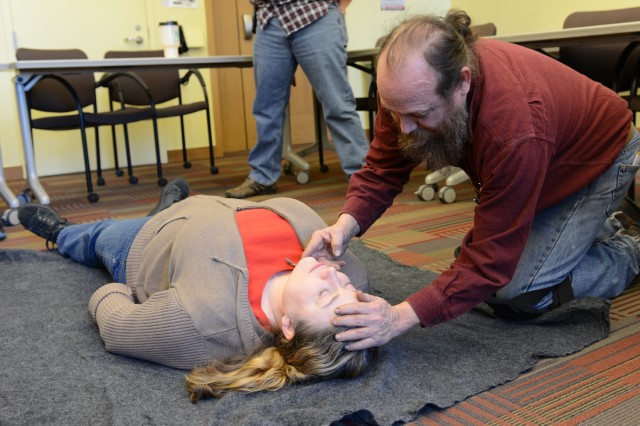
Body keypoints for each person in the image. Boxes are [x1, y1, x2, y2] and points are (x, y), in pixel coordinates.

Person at [303, 10, 640, 351]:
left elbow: (489, 262)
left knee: (518, 295)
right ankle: (595, 230)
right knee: (470, 275)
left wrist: (398, 318)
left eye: (419, 114)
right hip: (541, 161)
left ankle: (632, 250)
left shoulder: (514, 129)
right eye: (393, 112)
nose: (402, 127)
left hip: (598, 159)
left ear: (462, 83)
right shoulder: (406, 90)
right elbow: (382, 169)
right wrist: (345, 225)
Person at [18, 179, 377, 401]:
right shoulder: (345, 269)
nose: (334, 277)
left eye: (324, 295)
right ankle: (168, 205)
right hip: (204, 207)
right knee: (168, 211)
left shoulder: (202, 323)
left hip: (144, 242)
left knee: (93, 237)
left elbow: (117, 325)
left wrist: (120, 286)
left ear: (288, 327)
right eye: (342, 285)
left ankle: (60, 231)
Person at [225, 0, 369, 199]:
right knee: (266, 108)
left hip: (314, 12)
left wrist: (341, 7)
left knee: (337, 103)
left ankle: (362, 176)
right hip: (269, 20)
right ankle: (263, 176)